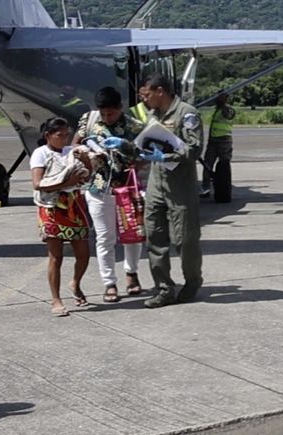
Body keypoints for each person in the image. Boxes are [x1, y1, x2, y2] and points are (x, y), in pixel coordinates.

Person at [72, 86, 146, 303]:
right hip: (99, 188)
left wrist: (131, 155)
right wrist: (87, 152)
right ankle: (109, 282)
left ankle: (131, 273)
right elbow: (75, 144)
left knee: (131, 234)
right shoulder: (89, 120)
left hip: (127, 188)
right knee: (105, 237)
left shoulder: (134, 126)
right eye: (103, 114)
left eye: (111, 114)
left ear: (120, 108)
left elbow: (146, 154)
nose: (107, 118)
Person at [138, 73, 204, 308]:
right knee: (154, 236)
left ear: (160, 91)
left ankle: (193, 281)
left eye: (147, 94)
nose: (144, 99)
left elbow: (194, 149)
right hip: (156, 184)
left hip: (180, 187)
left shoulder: (187, 113)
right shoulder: (152, 114)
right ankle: (164, 288)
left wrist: (165, 156)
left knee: (185, 240)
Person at [30, 117, 91, 317]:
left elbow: (86, 176)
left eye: (66, 135)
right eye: (59, 135)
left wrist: (87, 161)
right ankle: (55, 299)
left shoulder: (70, 152)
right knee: (56, 256)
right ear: (47, 135)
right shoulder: (40, 153)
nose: (64, 139)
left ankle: (75, 282)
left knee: (83, 253)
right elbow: (38, 184)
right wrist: (66, 183)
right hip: (51, 207)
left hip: (73, 205)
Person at [200, 91, 236, 198]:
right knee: (207, 164)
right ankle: (206, 188)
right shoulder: (216, 110)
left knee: (224, 165)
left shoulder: (228, 110)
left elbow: (228, 115)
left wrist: (223, 103)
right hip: (213, 142)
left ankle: (223, 187)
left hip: (224, 142)